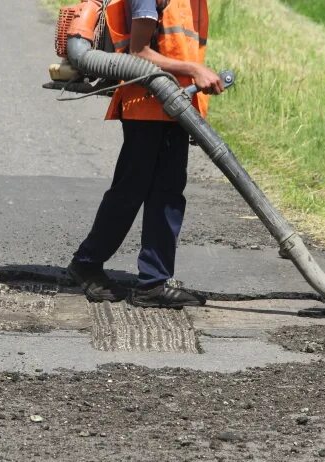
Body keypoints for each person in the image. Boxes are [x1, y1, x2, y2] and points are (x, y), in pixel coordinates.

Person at [67, 0, 224, 309]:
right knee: (130, 190)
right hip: (146, 104)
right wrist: (195, 69)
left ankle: (153, 283)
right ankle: (87, 263)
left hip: (173, 106)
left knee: (167, 194)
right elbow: (138, 53)